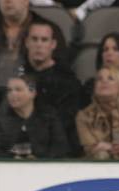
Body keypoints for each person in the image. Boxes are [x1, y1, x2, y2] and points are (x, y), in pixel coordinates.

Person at [23, 18, 82, 156]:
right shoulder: (16, 75)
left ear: (53, 45)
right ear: (26, 43)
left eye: (44, 40)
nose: (39, 45)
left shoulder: (67, 80)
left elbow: (65, 122)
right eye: (34, 39)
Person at [0, 74, 69, 158]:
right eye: (9, 90)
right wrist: (11, 159)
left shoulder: (49, 117)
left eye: (18, 90)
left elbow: (60, 147)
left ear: (32, 93)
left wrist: (39, 159)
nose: (12, 94)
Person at [77, 66, 119, 159]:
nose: (104, 82)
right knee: (101, 155)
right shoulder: (84, 116)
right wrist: (111, 148)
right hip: (96, 168)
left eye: (110, 78)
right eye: (99, 79)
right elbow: (90, 147)